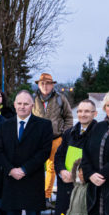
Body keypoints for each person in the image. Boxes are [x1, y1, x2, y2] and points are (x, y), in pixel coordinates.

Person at [0, 90, 52, 215]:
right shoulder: (5, 125)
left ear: (32, 105)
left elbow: (44, 151)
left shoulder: (43, 125)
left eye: (26, 103)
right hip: (11, 177)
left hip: (32, 177)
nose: (22, 107)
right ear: (14, 105)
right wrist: (11, 169)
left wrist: (25, 169)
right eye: (19, 103)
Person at [53, 99, 97, 215]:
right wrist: (62, 171)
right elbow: (59, 156)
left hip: (85, 187)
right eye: (80, 111)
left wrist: (78, 175)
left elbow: (96, 160)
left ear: (94, 114)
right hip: (66, 185)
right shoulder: (69, 132)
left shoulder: (98, 133)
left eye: (87, 111)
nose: (83, 114)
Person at [33, 73, 74, 205]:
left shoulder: (60, 99)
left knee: (52, 168)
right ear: (38, 85)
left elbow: (68, 117)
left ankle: (46, 196)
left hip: (56, 138)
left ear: (52, 85)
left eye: (48, 83)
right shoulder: (32, 99)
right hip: (37, 140)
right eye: (42, 83)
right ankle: (35, 194)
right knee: (36, 166)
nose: (45, 86)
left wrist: (65, 134)